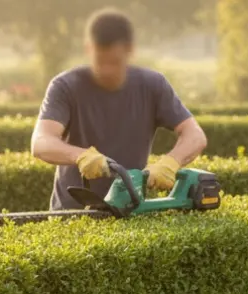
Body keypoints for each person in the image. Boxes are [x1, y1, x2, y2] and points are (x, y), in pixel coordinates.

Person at [31, 9, 208, 210]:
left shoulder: (152, 86)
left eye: (114, 62)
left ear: (129, 50)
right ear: (89, 49)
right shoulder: (65, 86)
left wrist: (170, 163)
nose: (107, 70)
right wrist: (80, 156)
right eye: (100, 62)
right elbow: (41, 143)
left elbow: (195, 135)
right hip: (71, 213)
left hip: (129, 210)